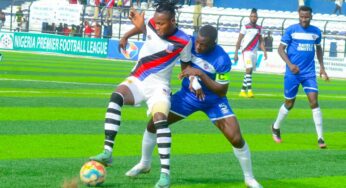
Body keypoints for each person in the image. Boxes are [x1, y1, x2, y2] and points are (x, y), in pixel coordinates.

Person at [124, 25, 263, 188]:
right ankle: (144, 163)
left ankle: (249, 178)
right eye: (197, 42)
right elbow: (183, 64)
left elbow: (222, 90)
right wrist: (191, 79)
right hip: (187, 97)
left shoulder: (222, 59)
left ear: (213, 43)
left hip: (214, 101)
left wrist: (201, 75)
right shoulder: (189, 43)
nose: (198, 46)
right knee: (154, 123)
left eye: (203, 44)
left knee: (236, 138)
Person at [89, 1, 192, 188]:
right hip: (138, 78)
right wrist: (127, 35)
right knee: (116, 96)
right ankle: (107, 152)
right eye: (156, 22)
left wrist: (191, 79)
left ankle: (165, 175)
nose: (157, 26)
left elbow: (186, 64)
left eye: (162, 23)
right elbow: (145, 29)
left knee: (160, 120)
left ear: (173, 21)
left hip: (159, 86)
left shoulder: (185, 40)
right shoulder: (153, 24)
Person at [272, 6, 329, 149]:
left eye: (306, 17)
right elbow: (280, 49)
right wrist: (290, 65)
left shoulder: (316, 32)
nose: (304, 19)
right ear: (299, 16)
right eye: (302, 17)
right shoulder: (291, 30)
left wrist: (322, 67)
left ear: (311, 16)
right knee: (289, 104)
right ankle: (276, 127)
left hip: (309, 73)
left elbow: (318, 49)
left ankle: (320, 138)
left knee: (314, 101)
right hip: (293, 73)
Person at [234, 8, 267, 98]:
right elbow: (239, 40)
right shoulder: (245, 27)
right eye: (252, 16)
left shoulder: (259, 28)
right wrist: (236, 53)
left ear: (257, 18)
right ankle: (250, 91)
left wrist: (264, 52)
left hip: (254, 52)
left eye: (255, 16)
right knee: (249, 68)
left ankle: (242, 91)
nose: (253, 18)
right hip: (246, 51)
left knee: (249, 72)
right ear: (249, 17)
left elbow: (261, 41)